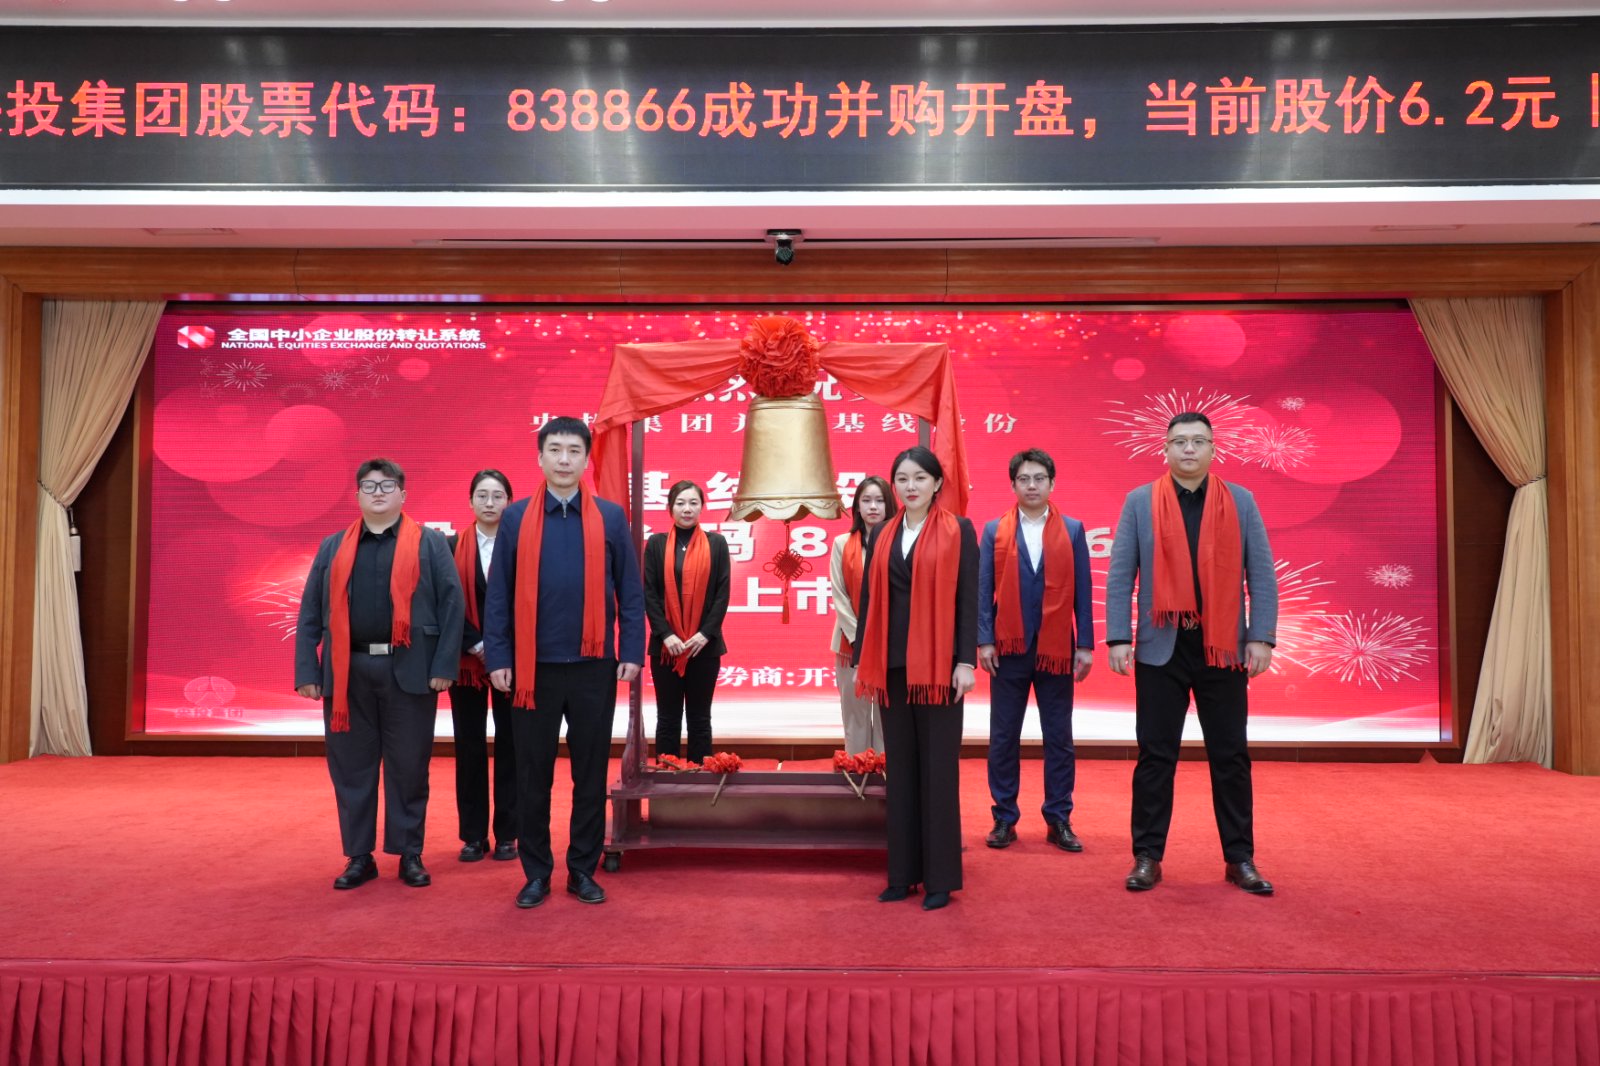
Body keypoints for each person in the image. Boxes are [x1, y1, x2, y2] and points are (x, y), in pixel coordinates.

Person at [1105, 412, 1279, 895]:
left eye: (1198, 441)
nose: (1188, 449)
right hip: (1161, 648)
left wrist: (1261, 636)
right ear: (1165, 449)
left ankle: (1240, 858)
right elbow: (1121, 575)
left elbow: (1261, 574)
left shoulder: (1240, 501)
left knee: (1231, 755)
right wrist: (1118, 637)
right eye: (1179, 441)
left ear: (1213, 449)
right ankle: (1147, 856)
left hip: (1223, 648)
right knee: (1155, 756)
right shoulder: (1140, 501)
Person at [482, 417, 645, 910]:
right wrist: (499, 656)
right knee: (532, 775)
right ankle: (536, 873)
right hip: (532, 671)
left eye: (574, 450)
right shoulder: (515, 518)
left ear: (586, 459)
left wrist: (631, 650)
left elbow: (630, 591)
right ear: (540, 457)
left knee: (589, 775)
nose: (564, 459)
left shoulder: (610, 518)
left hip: (594, 667)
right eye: (555, 449)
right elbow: (498, 595)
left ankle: (581, 870)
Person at [294, 458, 465, 891]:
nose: (378, 493)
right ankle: (359, 856)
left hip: (411, 670)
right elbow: (310, 610)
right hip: (347, 672)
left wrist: (444, 666)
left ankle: (409, 853)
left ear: (403, 495)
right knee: (352, 767)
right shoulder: (334, 546)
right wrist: (308, 669)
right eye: (369, 486)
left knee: (409, 767)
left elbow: (453, 606)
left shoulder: (430, 543)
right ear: (357, 495)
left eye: (387, 486)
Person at [853, 446, 978, 912]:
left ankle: (940, 878)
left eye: (920, 478)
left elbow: (969, 598)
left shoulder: (958, 530)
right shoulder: (883, 534)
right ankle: (902, 875)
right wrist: (863, 658)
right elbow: (869, 600)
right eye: (902, 478)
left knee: (938, 771)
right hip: (892, 667)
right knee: (901, 771)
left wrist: (965, 661)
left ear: (937, 483)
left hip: (940, 669)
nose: (911, 486)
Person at [976, 448, 1095, 853]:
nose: (1031, 485)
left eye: (1039, 478)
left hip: (1056, 648)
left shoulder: (1073, 530)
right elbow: (983, 591)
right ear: (1013, 484)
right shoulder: (995, 530)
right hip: (1008, 648)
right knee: (1003, 737)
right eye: (1024, 479)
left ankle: (1058, 818)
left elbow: (1083, 590)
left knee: (1059, 737)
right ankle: (1004, 818)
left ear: (1051, 483)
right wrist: (984, 639)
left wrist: (1085, 644)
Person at [449, 469, 519, 863]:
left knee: (512, 745)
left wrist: (500, 651)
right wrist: (477, 645)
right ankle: (473, 835)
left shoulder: (522, 547)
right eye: (482, 495)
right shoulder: (450, 546)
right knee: (469, 746)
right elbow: (445, 604)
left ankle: (508, 833)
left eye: (497, 496)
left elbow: (528, 603)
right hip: (467, 663)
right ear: (470, 501)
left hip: (511, 661)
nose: (489, 503)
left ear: (509, 501)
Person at [642, 479, 731, 763]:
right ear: (670, 508)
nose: (687, 509)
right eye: (680, 503)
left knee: (700, 717)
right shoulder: (656, 544)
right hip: (666, 648)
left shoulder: (717, 543)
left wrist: (705, 633)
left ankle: (699, 777)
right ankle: (666, 778)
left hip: (704, 647)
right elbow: (649, 593)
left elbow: (722, 593)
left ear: (702, 507)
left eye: (693, 503)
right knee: (667, 717)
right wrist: (666, 634)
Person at [830, 475, 896, 755]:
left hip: (890, 645)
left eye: (879, 500)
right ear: (857, 506)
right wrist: (860, 639)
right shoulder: (841, 543)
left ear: (889, 505)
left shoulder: (900, 543)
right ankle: (856, 771)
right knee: (854, 715)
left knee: (887, 716)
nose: (873, 507)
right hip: (850, 645)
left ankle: (886, 773)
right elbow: (839, 595)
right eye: (866, 500)